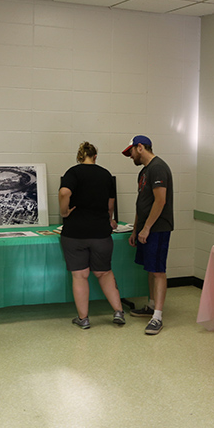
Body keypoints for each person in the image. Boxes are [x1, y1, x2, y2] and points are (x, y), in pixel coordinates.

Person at [59, 141, 125, 329]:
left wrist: (64, 212)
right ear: (95, 156)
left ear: (80, 157)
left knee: (80, 275)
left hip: (75, 233)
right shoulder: (105, 175)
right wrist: (109, 219)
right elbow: (110, 205)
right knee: (104, 272)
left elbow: (64, 193)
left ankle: (84, 318)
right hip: (100, 233)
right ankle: (118, 312)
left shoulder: (73, 172)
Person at [122, 135, 173, 336]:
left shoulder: (158, 168)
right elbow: (141, 202)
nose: (130, 156)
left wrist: (147, 228)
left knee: (158, 270)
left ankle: (157, 317)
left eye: (131, 152)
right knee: (150, 269)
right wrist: (136, 229)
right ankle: (151, 306)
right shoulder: (144, 172)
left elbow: (160, 201)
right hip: (145, 228)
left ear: (140, 147)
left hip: (158, 228)